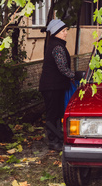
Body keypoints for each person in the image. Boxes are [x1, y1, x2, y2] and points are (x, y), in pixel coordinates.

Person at [39, 19, 75, 151]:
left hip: (54, 86)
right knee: (53, 114)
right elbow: (63, 68)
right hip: (52, 87)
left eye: (65, 30)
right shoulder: (57, 47)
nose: (66, 33)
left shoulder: (55, 44)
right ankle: (54, 141)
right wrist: (75, 76)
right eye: (63, 31)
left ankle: (58, 139)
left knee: (56, 113)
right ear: (56, 32)